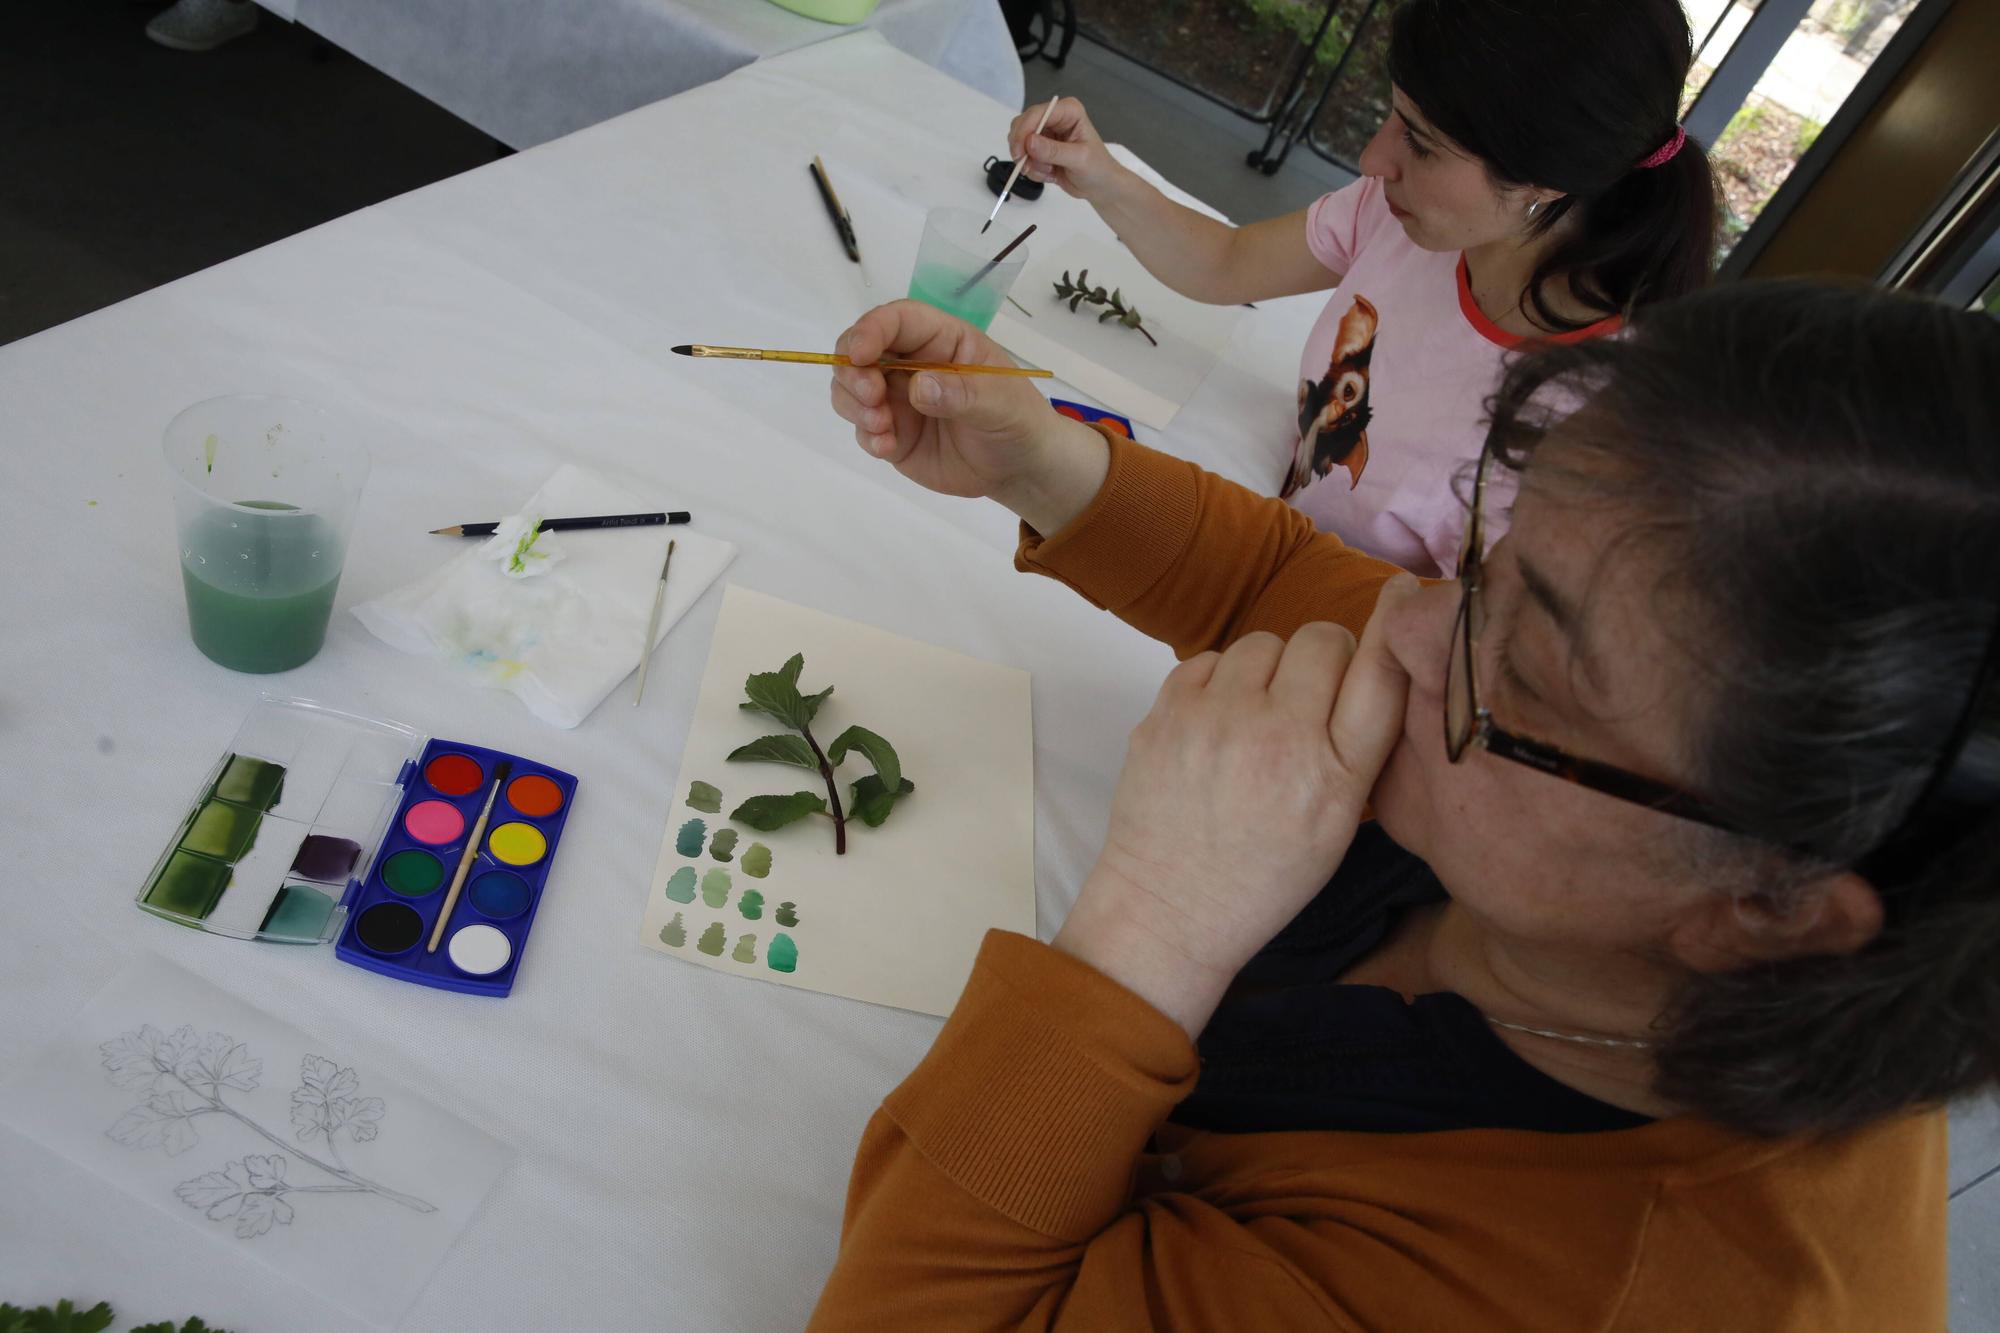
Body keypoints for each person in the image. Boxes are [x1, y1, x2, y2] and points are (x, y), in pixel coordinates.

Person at [807, 281, 1999, 1328]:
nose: (1406, 625)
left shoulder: (1582, 1282)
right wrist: (1039, 458)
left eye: (1520, 672)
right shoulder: (1571, 777)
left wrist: (1147, 927)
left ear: (1764, 915)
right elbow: (1285, 583)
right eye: (1483, 565)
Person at [1004, 0, 1717, 576]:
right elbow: (1226, 263)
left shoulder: (1584, 424)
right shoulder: (1409, 217)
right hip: (1262, 542)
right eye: (1396, 117)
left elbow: (1452, 653)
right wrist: (1098, 173)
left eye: (1422, 143)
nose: (1375, 158)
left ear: (1544, 180)